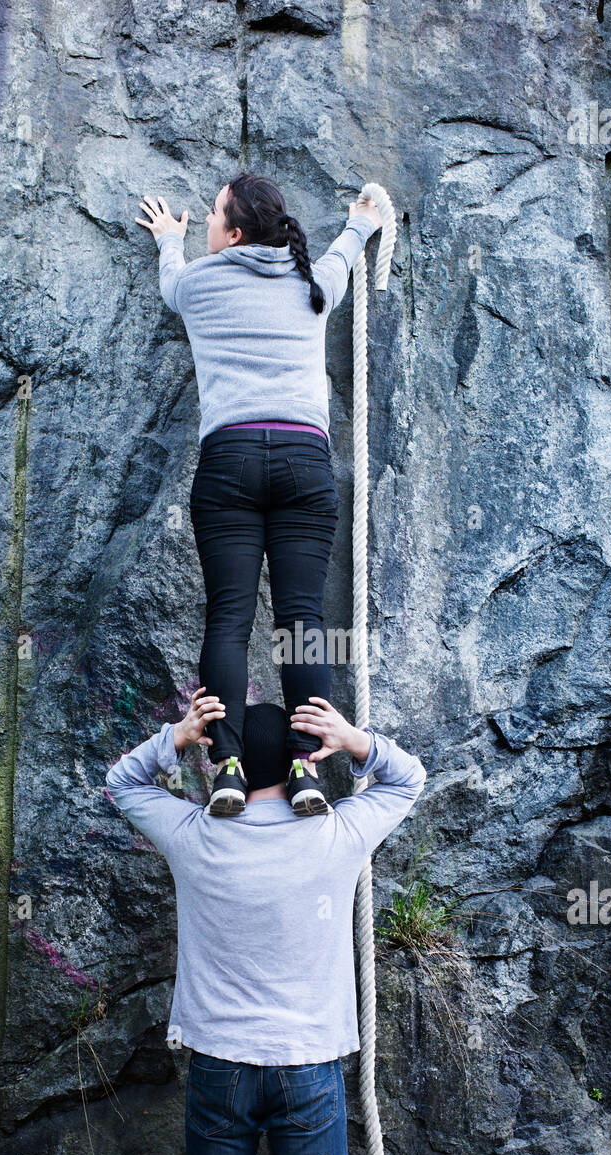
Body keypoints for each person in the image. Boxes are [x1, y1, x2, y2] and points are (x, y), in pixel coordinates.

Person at [104, 688, 426, 1155]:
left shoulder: (194, 835)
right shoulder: (336, 836)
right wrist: (353, 740)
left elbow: (122, 783)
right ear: (301, 764)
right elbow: (408, 780)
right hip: (308, 1068)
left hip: (220, 1067)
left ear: (231, 763)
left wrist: (179, 736)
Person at [135, 174, 383, 817]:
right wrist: (360, 219)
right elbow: (345, 254)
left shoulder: (200, 282)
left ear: (234, 234)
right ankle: (305, 766)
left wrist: (169, 239)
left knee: (229, 618)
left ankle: (228, 765)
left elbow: (171, 285)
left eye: (215, 215)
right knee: (301, 620)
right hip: (304, 460)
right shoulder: (311, 282)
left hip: (230, 461)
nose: (208, 223)